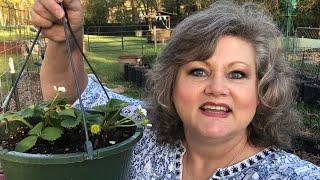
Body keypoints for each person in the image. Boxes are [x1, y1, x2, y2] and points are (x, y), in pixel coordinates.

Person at [31, 0, 320, 179]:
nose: (217, 88)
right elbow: (72, 97)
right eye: (198, 71)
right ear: (171, 82)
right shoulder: (139, 133)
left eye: (237, 74)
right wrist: (65, 39)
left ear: (262, 90)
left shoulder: (292, 175)